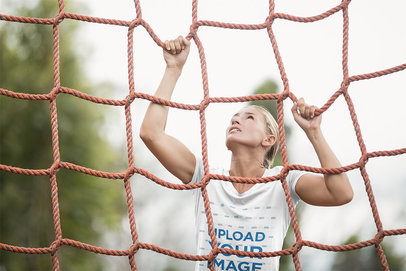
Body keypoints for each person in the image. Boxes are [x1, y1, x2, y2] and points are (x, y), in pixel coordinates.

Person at [140, 36, 353, 271]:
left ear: (269, 140)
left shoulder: (282, 182)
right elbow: (151, 133)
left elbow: (341, 193)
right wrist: (173, 69)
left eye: (249, 117)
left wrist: (314, 132)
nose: (236, 119)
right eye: (235, 117)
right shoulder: (206, 178)